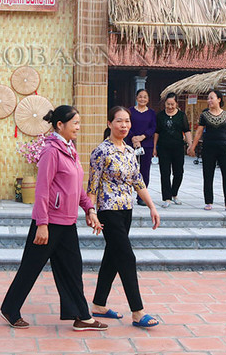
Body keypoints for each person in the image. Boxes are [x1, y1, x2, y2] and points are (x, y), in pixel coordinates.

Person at [0, 105, 106, 332]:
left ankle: (81, 316)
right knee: (31, 267)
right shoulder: (51, 151)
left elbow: (76, 186)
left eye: (79, 122)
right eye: (75, 123)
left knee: (73, 269)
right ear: (61, 125)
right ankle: (10, 308)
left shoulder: (70, 149)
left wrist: (89, 209)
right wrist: (42, 224)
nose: (79, 127)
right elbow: (42, 190)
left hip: (67, 224)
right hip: (50, 223)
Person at [88, 106, 161, 328]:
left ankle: (99, 304)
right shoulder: (101, 151)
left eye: (127, 121)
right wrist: (90, 212)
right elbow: (92, 186)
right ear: (109, 123)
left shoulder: (130, 151)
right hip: (108, 211)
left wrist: (151, 206)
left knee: (112, 257)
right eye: (119, 121)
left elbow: (138, 181)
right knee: (127, 258)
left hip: (126, 210)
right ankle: (138, 312)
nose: (124, 126)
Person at [188, 89, 226, 212]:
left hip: (225, 147)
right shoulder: (204, 115)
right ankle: (208, 201)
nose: (209, 100)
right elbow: (199, 132)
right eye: (208, 98)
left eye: (211, 98)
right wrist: (193, 147)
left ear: (219, 99)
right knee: (208, 174)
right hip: (208, 147)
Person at [153, 92, 191, 208]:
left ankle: (174, 194)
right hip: (164, 148)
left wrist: (190, 145)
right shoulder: (160, 116)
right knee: (165, 173)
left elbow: (187, 130)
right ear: (165, 103)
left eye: (172, 104)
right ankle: (167, 197)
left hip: (178, 148)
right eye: (168, 104)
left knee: (178, 172)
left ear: (176, 103)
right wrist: (154, 147)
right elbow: (157, 132)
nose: (170, 107)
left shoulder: (181, 115)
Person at [126, 89, 157, 206]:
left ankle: (141, 196)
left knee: (144, 171)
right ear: (136, 98)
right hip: (131, 144)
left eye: (145, 97)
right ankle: (127, 194)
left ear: (148, 99)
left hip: (146, 145)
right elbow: (127, 124)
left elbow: (153, 127)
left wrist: (142, 137)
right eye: (140, 97)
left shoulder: (152, 113)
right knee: (129, 170)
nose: (142, 99)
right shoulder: (130, 111)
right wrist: (133, 138)